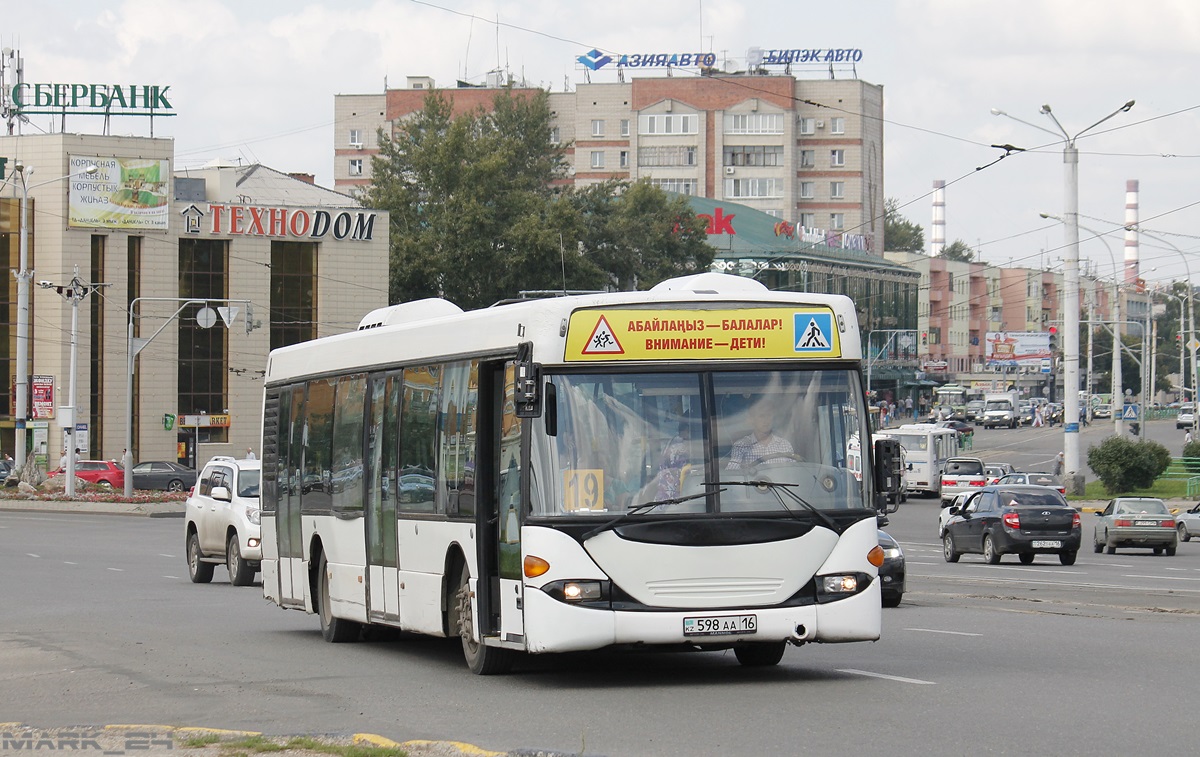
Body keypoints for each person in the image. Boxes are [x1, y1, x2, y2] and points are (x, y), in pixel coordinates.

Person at [727, 404, 796, 470]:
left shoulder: (785, 445)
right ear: (752, 420)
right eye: (762, 416)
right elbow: (732, 473)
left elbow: (793, 473)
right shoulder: (741, 446)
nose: (766, 420)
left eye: (769, 415)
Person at [656, 422, 693, 499]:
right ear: (686, 430)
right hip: (673, 492)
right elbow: (683, 470)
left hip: (666, 489)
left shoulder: (671, 442)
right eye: (689, 431)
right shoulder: (680, 446)